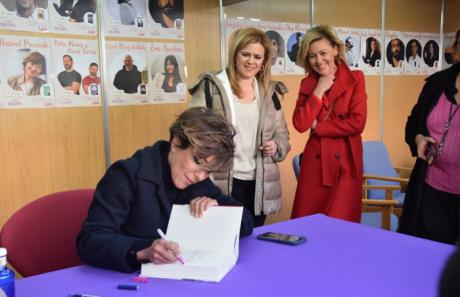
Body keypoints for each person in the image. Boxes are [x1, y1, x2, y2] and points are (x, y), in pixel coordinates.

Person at [77, 107, 254, 272]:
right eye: (198, 162)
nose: (200, 176)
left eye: (209, 171)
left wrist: (220, 213)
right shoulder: (125, 175)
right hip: (130, 281)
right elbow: (90, 241)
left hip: (181, 278)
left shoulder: (199, 182)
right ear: (176, 144)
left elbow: (245, 218)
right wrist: (142, 251)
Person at [188, 27, 291, 227]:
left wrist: (276, 146)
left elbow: (282, 134)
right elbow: (189, 130)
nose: (251, 61)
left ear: (264, 61)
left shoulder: (269, 92)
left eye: (257, 57)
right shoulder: (211, 87)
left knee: (252, 240)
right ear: (235, 54)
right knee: (223, 240)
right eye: (245, 54)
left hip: (259, 185)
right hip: (221, 181)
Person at [290, 25, 367, 223]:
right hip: (315, 165)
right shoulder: (307, 84)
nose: (319, 60)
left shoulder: (356, 78)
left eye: (323, 53)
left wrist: (320, 128)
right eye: (312, 56)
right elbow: (300, 123)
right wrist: (318, 90)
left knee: (341, 225)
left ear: (335, 49)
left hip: (346, 164)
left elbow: (357, 123)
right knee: (309, 223)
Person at [399, 28, 460, 244]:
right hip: (431, 191)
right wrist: (417, 138)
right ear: (456, 50)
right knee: (426, 261)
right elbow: (412, 123)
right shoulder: (436, 84)